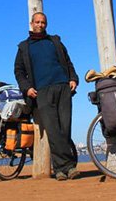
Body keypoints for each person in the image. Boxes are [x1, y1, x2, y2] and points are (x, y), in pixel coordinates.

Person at [14, 12, 80, 180]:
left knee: (65, 129)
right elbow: (19, 71)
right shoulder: (24, 47)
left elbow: (68, 61)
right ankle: (64, 168)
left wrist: (73, 78)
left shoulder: (55, 42)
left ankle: (64, 168)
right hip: (41, 92)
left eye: (43, 22)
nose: (40, 25)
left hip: (63, 88)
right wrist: (26, 88)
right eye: (37, 22)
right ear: (31, 23)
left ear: (46, 24)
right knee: (53, 130)